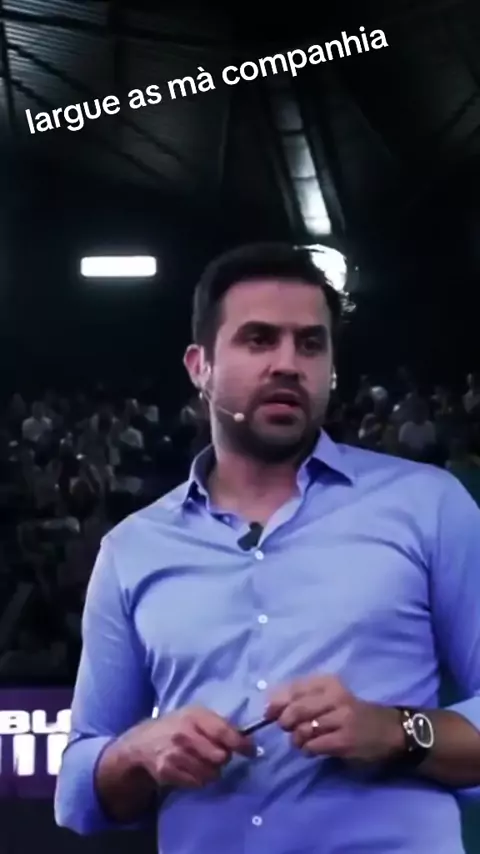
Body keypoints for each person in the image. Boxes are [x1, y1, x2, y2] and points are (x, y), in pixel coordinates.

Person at [55, 242, 480, 854]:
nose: (288, 364)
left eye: (310, 344)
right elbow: (77, 792)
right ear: (200, 366)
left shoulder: (429, 506)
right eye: (258, 340)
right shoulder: (133, 549)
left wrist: (396, 731)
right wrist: (138, 750)